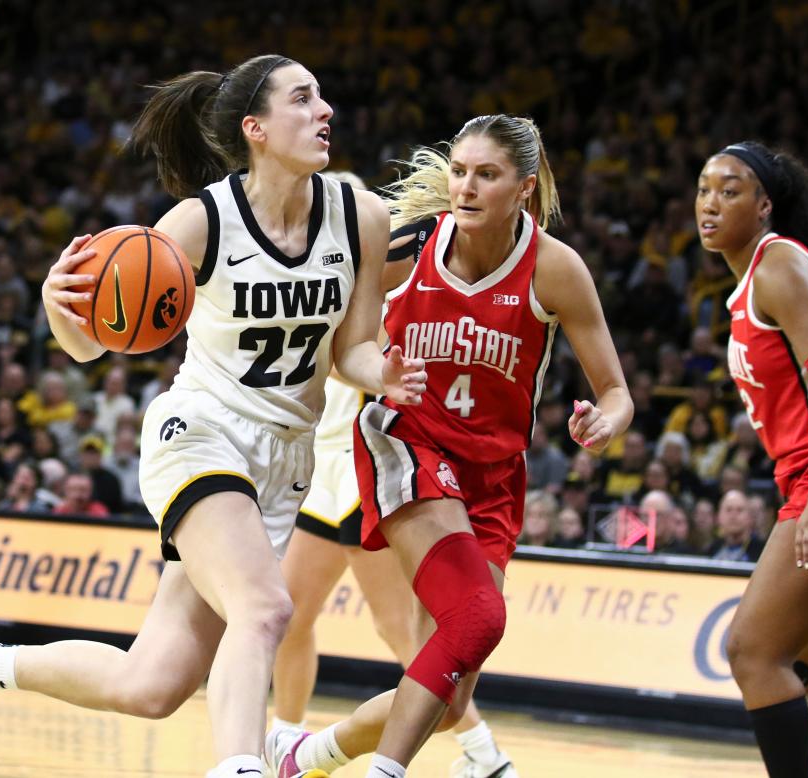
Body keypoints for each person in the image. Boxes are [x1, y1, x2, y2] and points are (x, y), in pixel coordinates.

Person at [0, 53, 425, 778]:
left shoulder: (362, 216)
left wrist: (386, 375)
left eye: (322, 98)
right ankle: (241, 768)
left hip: (284, 465)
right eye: (304, 99)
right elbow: (92, 346)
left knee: (151, 685)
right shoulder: (201, 220)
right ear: (255, 128)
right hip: (202, 435)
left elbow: (354, 349)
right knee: (267, 609)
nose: (325, 111)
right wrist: (61, 309)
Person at [266, 114, 632, 778]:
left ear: (523, 188)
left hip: (492, 475)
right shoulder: (409, 245)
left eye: (485, 175)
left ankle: (308, 755)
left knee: (450, 682)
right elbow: (347, 349)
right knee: (477, 616)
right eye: (459, 171)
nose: (465, 186)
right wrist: (377, 372)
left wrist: (606, 423)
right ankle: (390, 771)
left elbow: (617, 391)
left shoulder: (555, 270)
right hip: (403, 445)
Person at [271, 170, 517, 778]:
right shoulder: (328, 277)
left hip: (371, 469)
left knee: (410, 640)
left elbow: (361, 363)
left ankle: (482, 753)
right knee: (290, 614)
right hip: (321, 476)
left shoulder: (393, 284)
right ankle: (285, 736)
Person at [698, 141, 808, 778]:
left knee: (752, 652)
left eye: (729, 191)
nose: (710, 203)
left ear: (765, 206)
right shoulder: (751, 282)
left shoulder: (777, 265)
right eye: (704, 189)